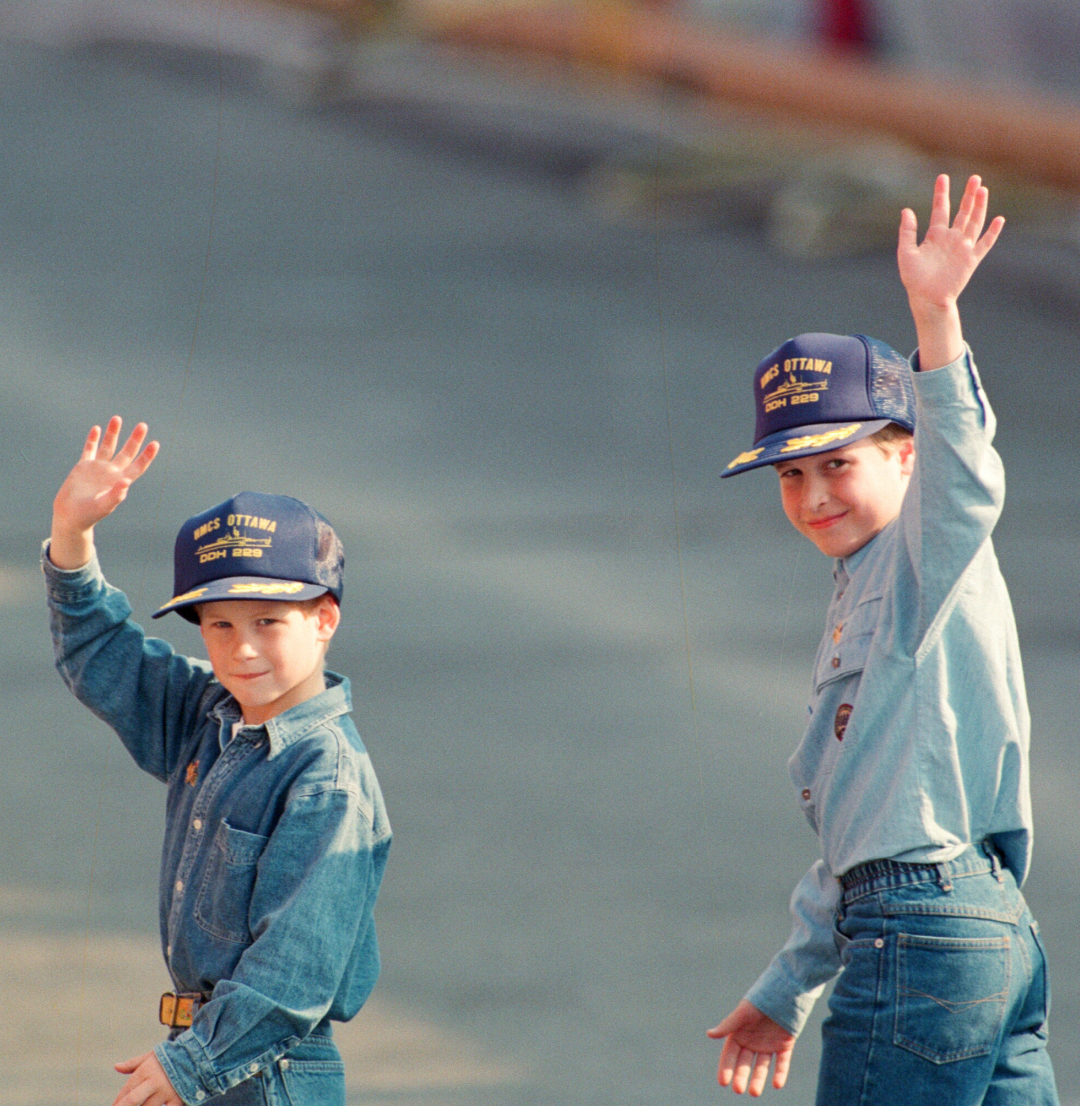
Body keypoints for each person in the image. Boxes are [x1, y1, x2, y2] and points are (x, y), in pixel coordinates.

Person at [707, 174, 1059, 1104]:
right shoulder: (864, 584)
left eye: (839, 464)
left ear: (905, 451)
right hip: (976, 931)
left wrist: (935, 317)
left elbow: (968, 476)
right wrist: (789, 986)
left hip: (930, 936)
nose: (816, 495)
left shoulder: (925, 557)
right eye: (791, 476)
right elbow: (861, 825)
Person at [44, 427, 391, 1106]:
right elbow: (99, 654)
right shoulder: (210, 714)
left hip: (269, 1072)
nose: (242, 650)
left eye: (269, 622)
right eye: (220, 625)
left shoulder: (326, 776)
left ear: (324, 619)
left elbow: (294, 971)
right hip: (211, 1055)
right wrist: (72, 534)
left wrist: (192, 1067)